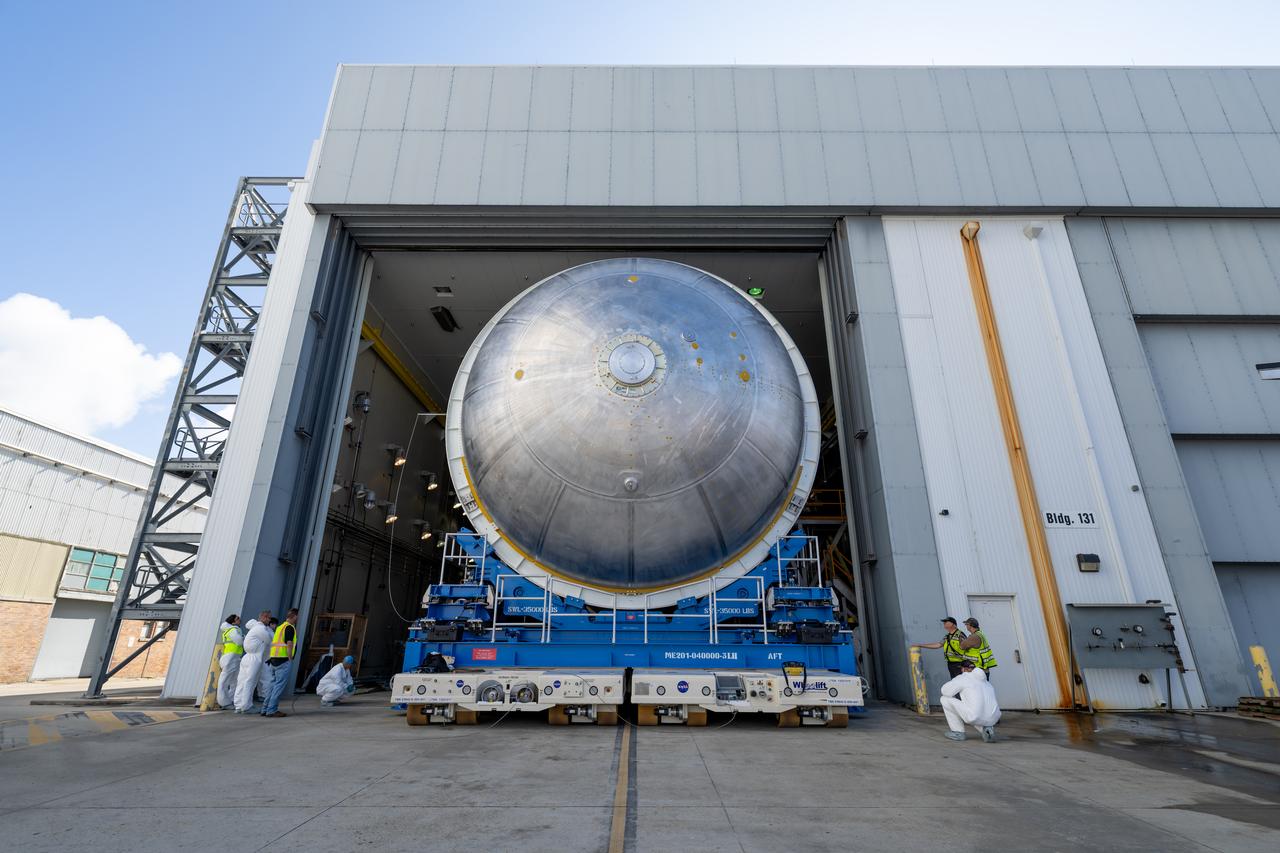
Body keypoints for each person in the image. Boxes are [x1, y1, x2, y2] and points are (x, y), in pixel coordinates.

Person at [939, 660, 1001, 742]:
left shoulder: (963, 678)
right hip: (994, 718)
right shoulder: (986, 682)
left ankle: (958, 732)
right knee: (974, 710)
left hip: (975, 716)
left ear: (963, 669)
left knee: (945, 699)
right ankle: (986, 730)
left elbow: (945, 691)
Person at [261, 608, 300, 718]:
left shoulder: (279, 627)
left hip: (274, 659)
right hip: (283, 660)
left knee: (273, 685)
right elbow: (289, 643)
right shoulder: (289, 628)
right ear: (295, 617)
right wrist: (290, 657)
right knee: (278, 686)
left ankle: (265, 709)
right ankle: (272, 710)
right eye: (297, 617)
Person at [233, 611, 273, 714]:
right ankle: (246, 706)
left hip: (246, 657)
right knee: (250, 682)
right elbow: (270, 641)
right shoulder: (261, 629)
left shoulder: (254, 628)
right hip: (254, 658)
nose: (270, 620)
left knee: (241, 681)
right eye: (269, 618)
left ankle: (238, 705)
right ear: (264, 617)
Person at [216, 614, 243, 709]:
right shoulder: (233, 630)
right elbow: (239, 641)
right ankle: (224, 702)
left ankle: (231, 700)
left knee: (234, 681)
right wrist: (244, 637)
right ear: (233, 622)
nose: (240, 620)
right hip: (230, 657)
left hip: (233, 657)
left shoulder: (232, 630)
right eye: (237, 619)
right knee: (225, 681)